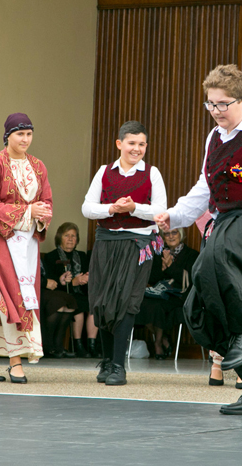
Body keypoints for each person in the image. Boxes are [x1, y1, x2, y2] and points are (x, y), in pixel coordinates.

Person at [155, 64, 242, 416]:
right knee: (203, 301)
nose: (216, 112)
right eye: (210, 104)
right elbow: (205, 189)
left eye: (223, 104)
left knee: (213, 260)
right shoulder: (213, 138)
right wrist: (175, 214)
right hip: (231, 220)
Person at [82, 120, 167, 386]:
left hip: (137, 245)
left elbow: (159, 211)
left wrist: (133, 208)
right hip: (106, 243)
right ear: (120, 144)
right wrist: (111, 209)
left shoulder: (152, 173)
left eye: (142, 144)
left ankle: (119, 365)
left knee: (126, 302)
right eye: (132, 143)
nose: (137, 149)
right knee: (103, 301)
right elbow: (87, 208)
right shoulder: (104, 171)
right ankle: (108, 361)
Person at [0, 113, 52, 384]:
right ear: (8, 136)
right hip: (3, 239)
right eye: (20, 134)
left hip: (28, 241)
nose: (25, 139)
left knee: (5, 296)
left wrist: (41, 214)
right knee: (9, 295)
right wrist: (29, 210)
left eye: (29, 134)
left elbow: (47, 200)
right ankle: (15, 361)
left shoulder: (38, 166)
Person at [135, 228, 198, 359]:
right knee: (139, 303)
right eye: (167, 234)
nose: (170, 236)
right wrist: (163, 268)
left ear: (181, 235)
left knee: (158, 306)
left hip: (180, 295)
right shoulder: (159, 254)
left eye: (174, 232)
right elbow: (152, 279)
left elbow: (191, 279)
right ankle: (163, 338)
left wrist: (171, 267)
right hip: (159, 292)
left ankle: (157, 343)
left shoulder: (191, 254)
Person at [42, 222, 97, 357]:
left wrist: (85, 279)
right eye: (67, 235)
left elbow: (87, 274)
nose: (71, 239)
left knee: (94, 305)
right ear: (60, 237)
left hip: (81, 292)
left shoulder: (82, 255)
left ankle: (92, 345)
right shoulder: (51, 256)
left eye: (73, 236)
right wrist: (73, 282)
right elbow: (52, 283)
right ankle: (78, 345)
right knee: (76, 305)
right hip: (61, 294)